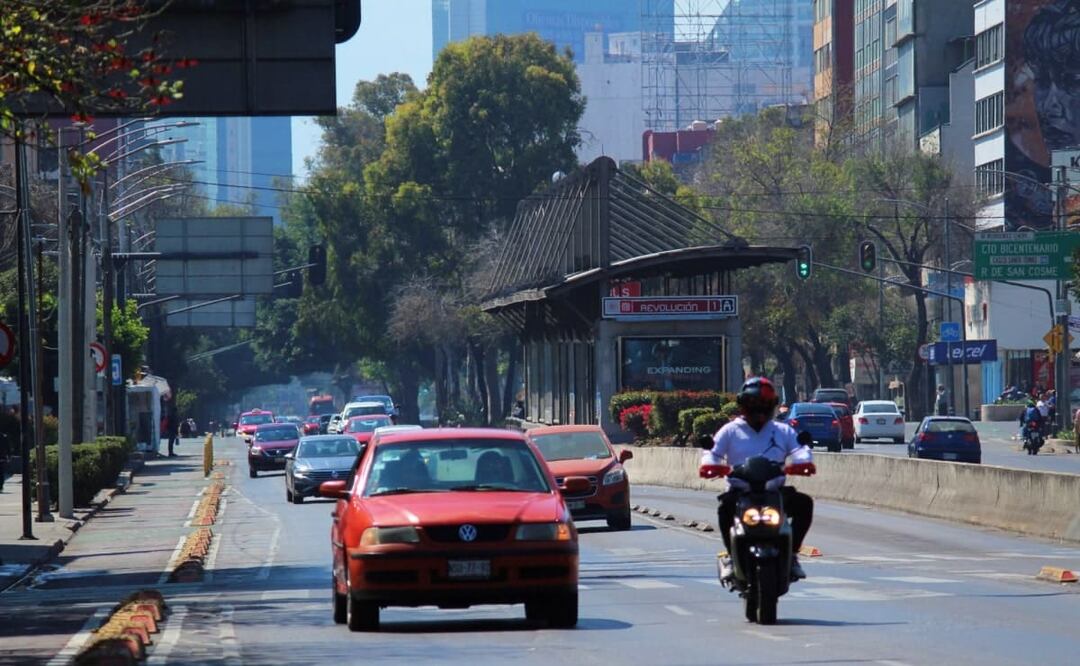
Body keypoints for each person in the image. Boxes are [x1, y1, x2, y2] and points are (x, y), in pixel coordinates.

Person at [701, 377, 814, 581]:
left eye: (764, 404)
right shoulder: (730, 430)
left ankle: (792, 555)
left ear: (772, 406)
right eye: (753, 404)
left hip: (774, 490)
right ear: (743, 405)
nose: (758, 409)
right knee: (724, 508)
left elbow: (799, 448)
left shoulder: (782, 430)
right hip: (740, 491)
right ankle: (731, 557)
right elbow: (713, 452)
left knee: (804, 503)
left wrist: (803, 461)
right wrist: (710, 465)